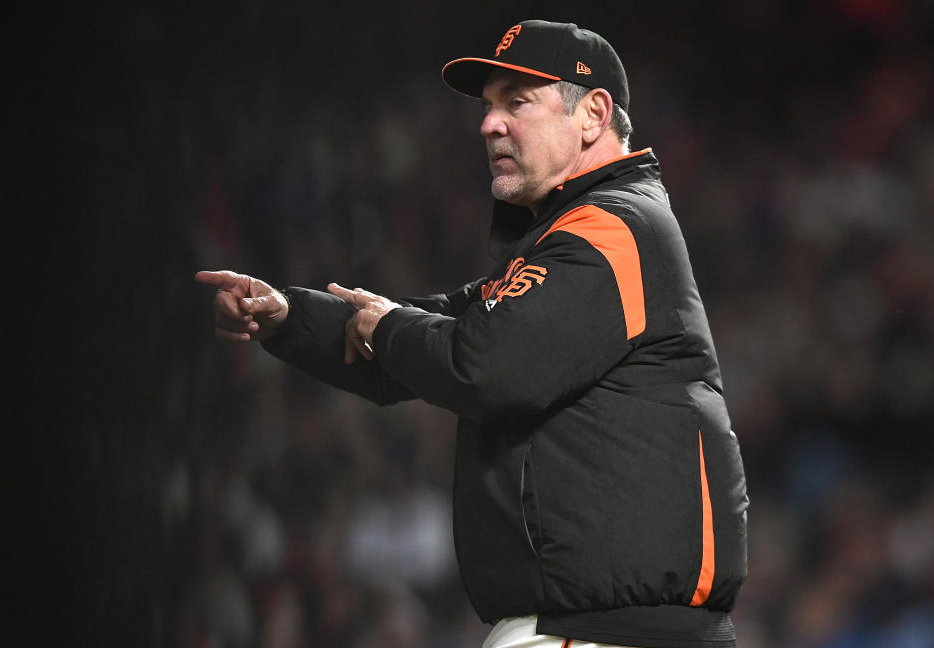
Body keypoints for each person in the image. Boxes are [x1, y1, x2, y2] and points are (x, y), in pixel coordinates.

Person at [196, 19, 749, 648]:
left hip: (601, 634)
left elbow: (484, 366)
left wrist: (391, 327)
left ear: (593, 113)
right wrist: (288, 316)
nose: (489, 125)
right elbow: (423, 340)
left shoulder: (613, 230)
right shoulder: (581, 242)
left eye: (517, 102)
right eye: (488, 108)